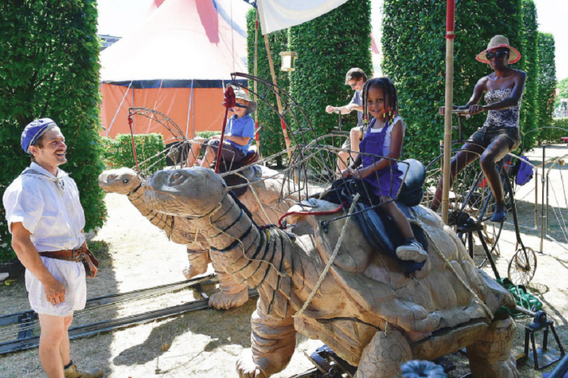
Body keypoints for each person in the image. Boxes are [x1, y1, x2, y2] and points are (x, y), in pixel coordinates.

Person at [2, 118, 103, 378]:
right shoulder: (27, 188)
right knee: (51, 335)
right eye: (54, 142)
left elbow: (73, 226)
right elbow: (20, 242)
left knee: (65, 324)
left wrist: (83, 255)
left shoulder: (65, 180)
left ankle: (70, 373)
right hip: (48, 268)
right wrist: (47, 281)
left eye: (62, 139)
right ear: (34, 150)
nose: (62, 145)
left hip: (70, 265)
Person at [431, 35, 526, 223]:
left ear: (508, 56)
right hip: (487, 129)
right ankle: (432, 208)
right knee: (452, 165)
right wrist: (450, 109)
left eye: (499, 54)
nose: (495, 58)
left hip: (507, 131)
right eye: (491, 55)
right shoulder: (484, 81)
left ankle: (500, 204)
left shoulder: (518, 75)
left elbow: (512, 100)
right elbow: (469, 106)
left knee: (487, 158)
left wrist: (484, 108)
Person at [341, 77, 427, 263]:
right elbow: (362, 152)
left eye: (379, 100)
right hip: (368, 172)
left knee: (385, 202)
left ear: (390, 99)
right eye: (370, 101)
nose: (374, 106)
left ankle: (411, 240)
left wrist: (368, 170)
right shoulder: (372, 123)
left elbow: (392, 156)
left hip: (385, 175)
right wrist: (351, 167)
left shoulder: (396, 123)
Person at [187, 86, 256, 169]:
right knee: (197, 140)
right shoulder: (231, 120)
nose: (237, 107)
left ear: (246, 104)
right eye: (234, 104)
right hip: (227, 148)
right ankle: (186, 170)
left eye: (240, 104)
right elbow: (226, 139)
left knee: (214, 144)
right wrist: (220, 137)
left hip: (238, 152)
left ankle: (201, 172)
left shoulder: (248, 121)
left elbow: (244, 141)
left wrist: (225, 137)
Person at [325, 68, 367, 170]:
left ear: (361, 79)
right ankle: (339, 184)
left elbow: (371, 109)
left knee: (354, 131)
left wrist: (354, 107)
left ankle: (354, 170)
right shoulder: (357, 92)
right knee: (341, 155)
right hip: (360, 127)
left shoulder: (372, 89)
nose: (352, 88)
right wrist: (334, 109)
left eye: (354, 84)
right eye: (351, 85)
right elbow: (347, 108)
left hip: (371, 126)